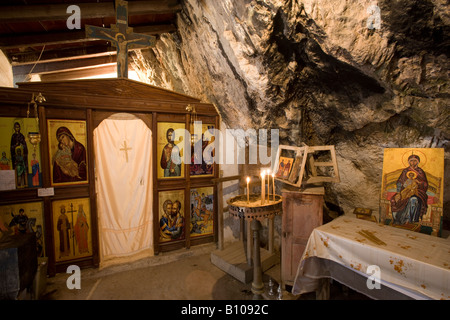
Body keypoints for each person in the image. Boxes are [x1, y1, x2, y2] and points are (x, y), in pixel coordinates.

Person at [390, 154, 428, 224]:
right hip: (405, 191)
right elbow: (399, 182)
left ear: (418, 162)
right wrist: (398, 192)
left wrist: (419, 183)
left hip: (418, 192)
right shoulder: (405, 171)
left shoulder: (420, 172)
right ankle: (398, 219)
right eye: (411, 161)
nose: (413, 163)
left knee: (413, 200)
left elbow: (425, 184)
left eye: (415, 161)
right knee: (394, 199)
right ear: (408, 162)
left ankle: (410, 220)